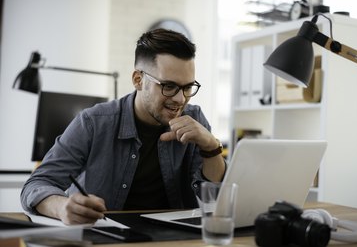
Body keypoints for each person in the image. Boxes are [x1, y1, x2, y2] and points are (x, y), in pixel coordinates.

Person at [21, 28, 226, 225]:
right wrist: (63, 207)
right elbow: (36, 185)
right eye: (169, 86)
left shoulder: (195, 119)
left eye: (188, 87)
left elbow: (212, 199)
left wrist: (210, 146)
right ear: (138, 80)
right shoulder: (94, 122)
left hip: (174, 239)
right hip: (105, 237)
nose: (181, 99)